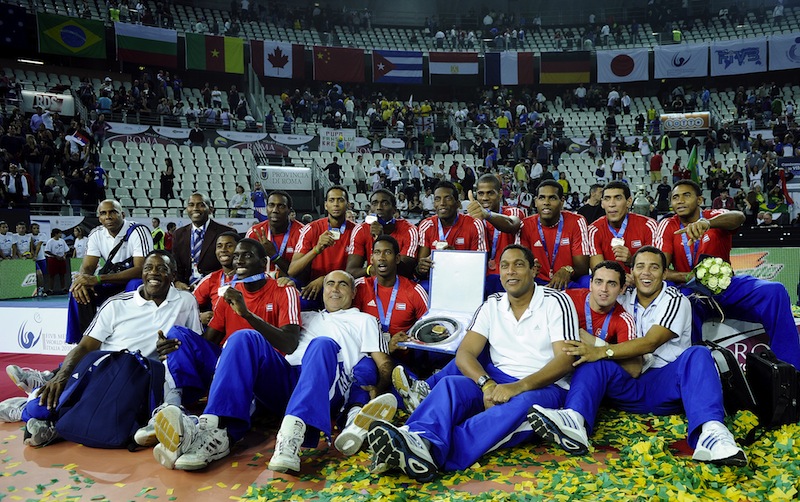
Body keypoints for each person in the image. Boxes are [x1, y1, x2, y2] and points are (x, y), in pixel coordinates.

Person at [366, 245, 579, 481]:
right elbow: (465, 353)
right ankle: (415, 437)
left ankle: (431, 453)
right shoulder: (492, 304)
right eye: (505, 266)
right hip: (497, 381)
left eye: (519, 265)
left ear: (533, 269)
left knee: (518, 406)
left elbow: (566, 359)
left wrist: (517, 387)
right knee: (450, 385)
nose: (511, 272)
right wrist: (486, 384)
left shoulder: (556, 301)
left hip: (544, 388)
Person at [151, 270, 392, 473]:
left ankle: (291, 439)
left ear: (353, 292)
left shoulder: (364, 320)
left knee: (322, 344)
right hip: (287, 380)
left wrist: (377, 390)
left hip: (328, 381)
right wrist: (286, 281)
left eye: (343, 284)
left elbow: (383, 362)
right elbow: (276, 317)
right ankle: (214, 432)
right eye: (330, 283)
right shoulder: (305, 316)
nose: (335, 289)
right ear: (323, 290)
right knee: (244, 337)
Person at [527, 246, 747, 467]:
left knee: (698, 354)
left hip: (664, 385)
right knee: (591, 360)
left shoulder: (675, 300)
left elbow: (650, 343)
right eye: (640, 266)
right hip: (626, 384)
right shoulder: (621, 296)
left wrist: (602, 349)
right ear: (631, 272)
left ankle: (712, 434)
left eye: (654, 267)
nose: (646, 273)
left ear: (664, 273)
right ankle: (575, 420)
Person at [6, 251, 201, 447]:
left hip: (144, 375)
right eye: (148, 268)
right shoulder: (117, 305)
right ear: (142, 273)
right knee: (45, 404)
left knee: (113, 420)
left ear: (173, 276)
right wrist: (63, 375)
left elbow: (193, 343)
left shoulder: (185, 301)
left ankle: (51, 424)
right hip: (105, 369)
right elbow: (85, 346)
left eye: (162, 269)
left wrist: (176, 346)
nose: (153, 273)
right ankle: (27, 406)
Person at [139, 239, 302, 449]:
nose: (239, 260)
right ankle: (173, 408)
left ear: (263, 263)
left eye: (247, 255)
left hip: (263, 371)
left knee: (243, 338)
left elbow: (289, 344)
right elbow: (208, 342)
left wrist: (247, 315)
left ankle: (208, 429)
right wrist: (177, 351)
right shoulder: (228, 293)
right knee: (178, 334)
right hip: (225, 365)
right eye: (236, 256)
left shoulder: (283, 290)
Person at [654, 180, 800, 369]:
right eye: (675, 197)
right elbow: (660, 268)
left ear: (700, 199)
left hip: (727, 288)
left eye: (686, 195)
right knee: (682, 304)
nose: (680, 200)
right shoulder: (667, 225)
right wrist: (689, 277)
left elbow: (738, 217)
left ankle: (791, 371)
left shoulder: (714, 216)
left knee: (775, 291)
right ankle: (694, 371)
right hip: (691, 293)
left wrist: (708, 223)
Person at [66, 200, 154, 344]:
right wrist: (82, 280)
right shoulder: (96, 234)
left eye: (113, 212)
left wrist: (99, 279)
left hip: (132, 280)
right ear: (99, 218)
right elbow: (88, 267)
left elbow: (142, 270)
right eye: (103, 213)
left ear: (122, 215)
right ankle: (84, 341)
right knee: (79, 289)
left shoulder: (138, 231)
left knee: (136, 284)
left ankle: (133, 336)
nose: (108, 216)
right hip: (112, 280)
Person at [288, 186, 355, 305]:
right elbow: (292, 270)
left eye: (340, 200)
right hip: (316, 289)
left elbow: (356, 269)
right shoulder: (311, 228)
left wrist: (325, 279)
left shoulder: (356, 231)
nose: (336, 204)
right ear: (325, 205)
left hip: (346, 288)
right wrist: (317, 249)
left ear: (347, 205)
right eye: (331, 200)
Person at [519, 180, 591, 289]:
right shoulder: (525, 225)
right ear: (536, 201)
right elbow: (521, 263)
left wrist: (567, 270)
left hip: (568, 281)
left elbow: (582, 267)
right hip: (536, 282)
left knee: (588, 281)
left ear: (562, 201)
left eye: (552, 198)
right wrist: (529, 268)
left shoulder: (577, 221)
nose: (546, 202)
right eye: (542, 197)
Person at [464, 174, 524, 295]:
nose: (485, 198)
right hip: (479, 279)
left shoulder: (513, 211)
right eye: (481, 194)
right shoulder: (470, 219)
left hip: (508, 277)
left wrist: (486, 215)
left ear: (500, 193)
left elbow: (512, 223)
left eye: (490, 193)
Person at [416, 181, 487, 283]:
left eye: (448, 198)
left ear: (458, 203)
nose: (442, 203)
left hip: (464, 280)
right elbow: (421, 269)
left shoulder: (474, 224)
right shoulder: (426, 225)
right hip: (434, 280)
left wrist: (454, 257)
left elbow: (480, 265)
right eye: (437, 199)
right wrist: (421, 267)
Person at [347, 189, 419, 280]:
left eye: (384, 203)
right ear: (370, 209)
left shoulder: (409, 230)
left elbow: (406, 270)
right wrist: (370, 270)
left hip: (401, 284)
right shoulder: (361, 230)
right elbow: (351, 272)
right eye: (374, 203)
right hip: (373, 283)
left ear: (394, 210)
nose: (379, 207)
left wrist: (381, 239)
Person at [588, 181, 657, 275]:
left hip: (642, 282)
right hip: (611, 284)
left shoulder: (649, 226)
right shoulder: (594, 230)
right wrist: (622, 280)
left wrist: (631, 260)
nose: (612, 204)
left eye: (618, 198)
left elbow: (655, 268)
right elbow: (599, 271)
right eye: (607, 199)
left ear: (629, 202)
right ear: (602, 203)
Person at [172, 193, 235, 287]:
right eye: (191, 205)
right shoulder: (179, 234)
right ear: (187, 209)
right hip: (186, 289)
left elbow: (232, 264)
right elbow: (176, 264)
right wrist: (177, 282)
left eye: (201, 205)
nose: (195, 208)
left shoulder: (226, 232)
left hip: (216, 287)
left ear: (210, 209)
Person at [246, 191, 303, 278]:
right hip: (261, 285)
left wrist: (274, 256)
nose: (275, 210)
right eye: (271, 205)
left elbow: (303, 274)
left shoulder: (302, 233)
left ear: (289, 211)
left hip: (291, 284)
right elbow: (247, 267)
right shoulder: (254, 232)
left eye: (281, 206)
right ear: (266, 208)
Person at [44, 228, 69, 295]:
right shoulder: (50, 241)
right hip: (53, 260)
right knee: (52, 275)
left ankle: (63, 288)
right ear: (56, 234)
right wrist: (55, 256)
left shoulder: (62, 241)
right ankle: (50, 289)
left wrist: (64, 256)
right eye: (59, 233)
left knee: (62, 274)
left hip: (61, 259)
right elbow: (46, 250)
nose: (61, 234)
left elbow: (66, 250)